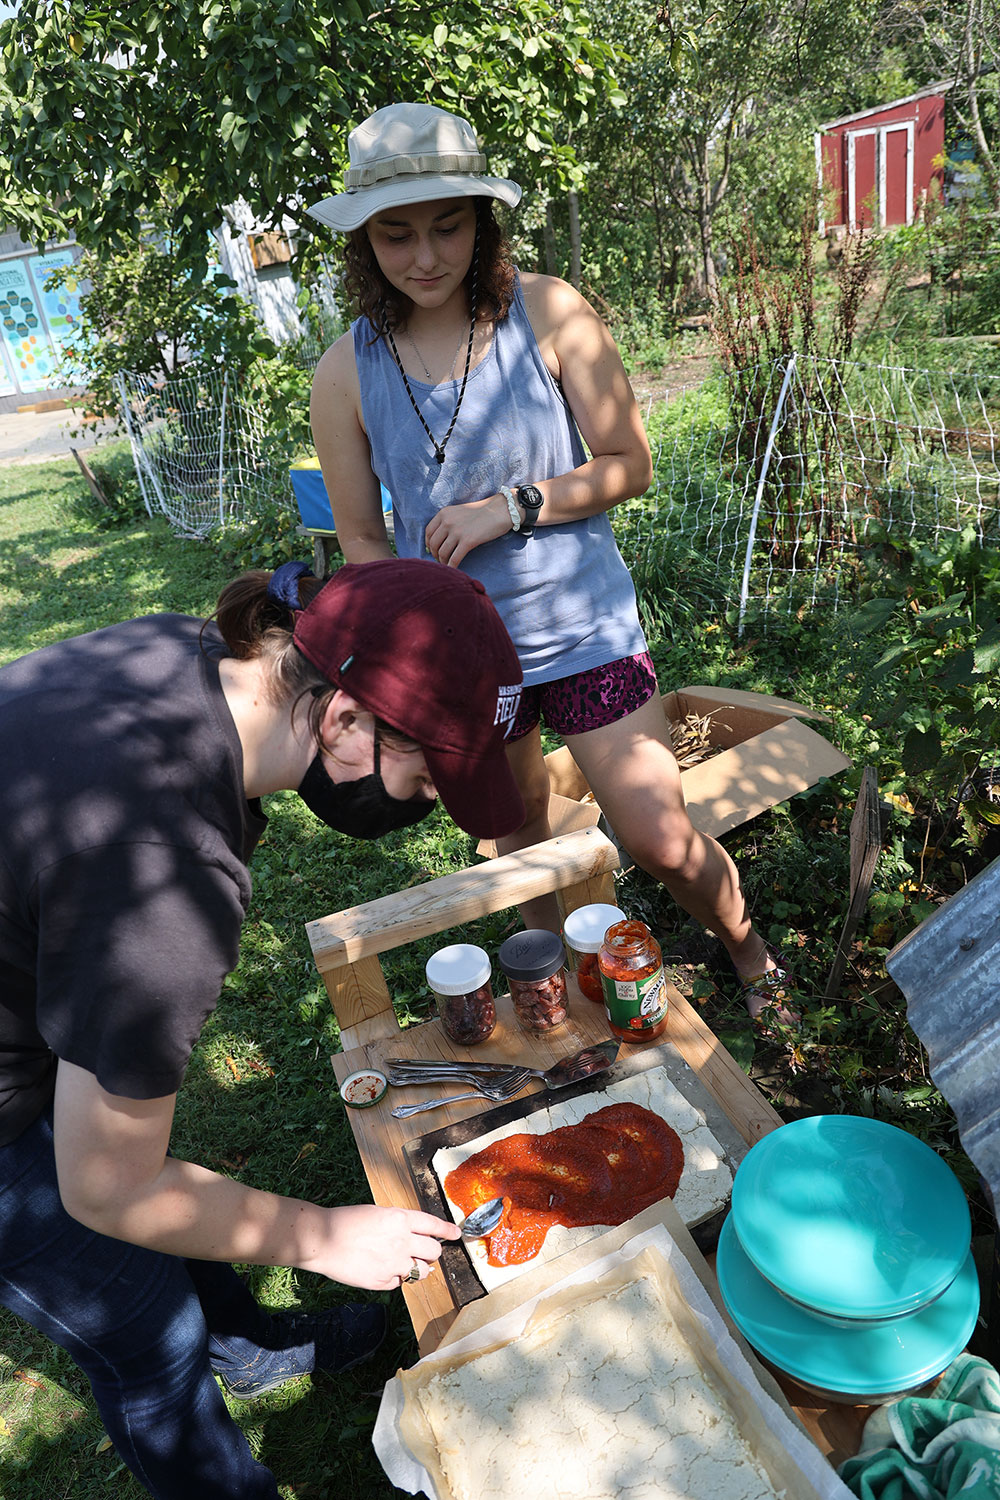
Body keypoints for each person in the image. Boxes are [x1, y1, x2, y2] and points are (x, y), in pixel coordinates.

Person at [0, 556, 525, 1500]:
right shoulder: (161, 876)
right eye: (429, 775)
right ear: (346, 718)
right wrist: (320, 1235)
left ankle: (246, 1345)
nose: (432, 803)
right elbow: (107, 1188)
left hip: (22, 981)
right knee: (142, 1328)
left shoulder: (195, 650)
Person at [308, 101, 795, 1023]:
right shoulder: (345, 370)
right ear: (363, 241)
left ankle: (748, 953)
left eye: (448, 226)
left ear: (482, 221)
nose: (425, 256)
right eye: (396, 233)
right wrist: (399, 652)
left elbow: (629, 464)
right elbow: (363, 542)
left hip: (580, 628)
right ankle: (559, 994)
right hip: (464, 661)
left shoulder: (550, 311)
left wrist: (512, 506)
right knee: (517, 839)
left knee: (659, 835)